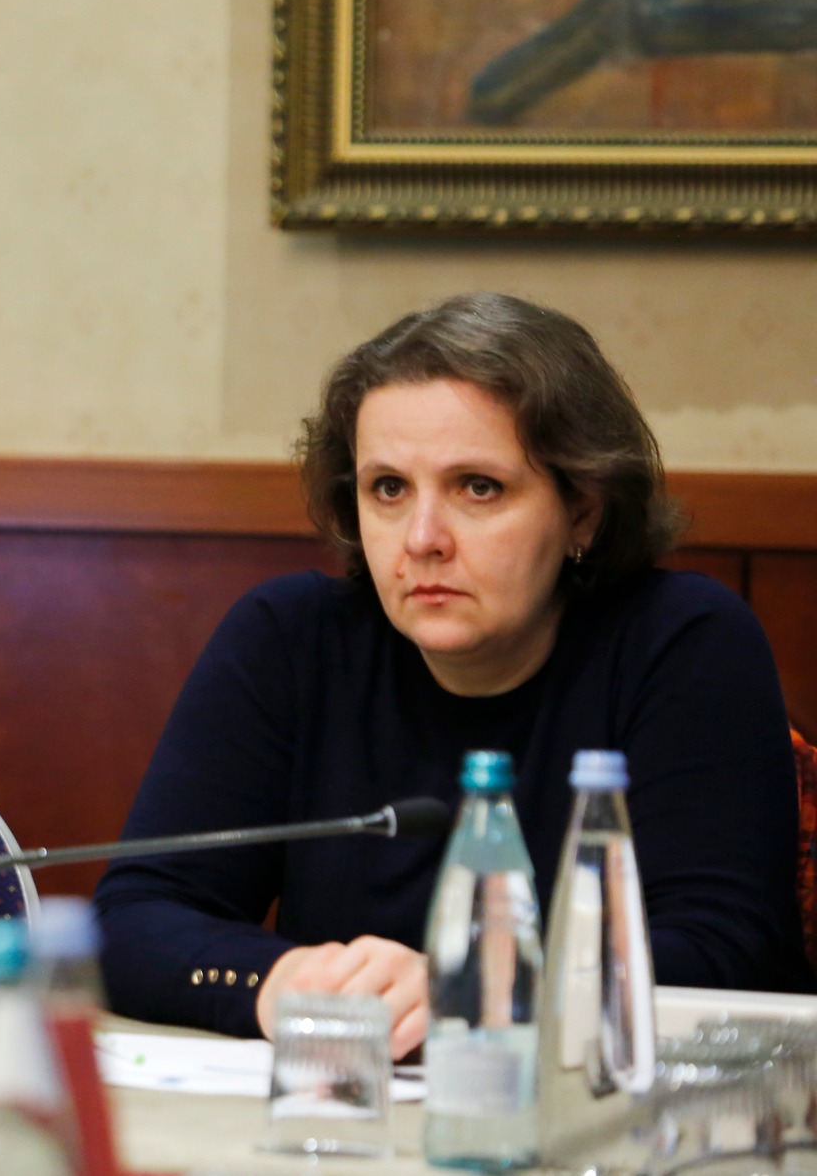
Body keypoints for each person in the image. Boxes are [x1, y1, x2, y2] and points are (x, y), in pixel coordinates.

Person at [94, 292, 812, 1057]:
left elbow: (725, 948)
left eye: (478, 487)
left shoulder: (684, 640)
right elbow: (135, 915)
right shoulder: (291, 638)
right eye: (388, 488)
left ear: (582, 510)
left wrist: (479, 990)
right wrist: (278, 980)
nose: (422, 538)